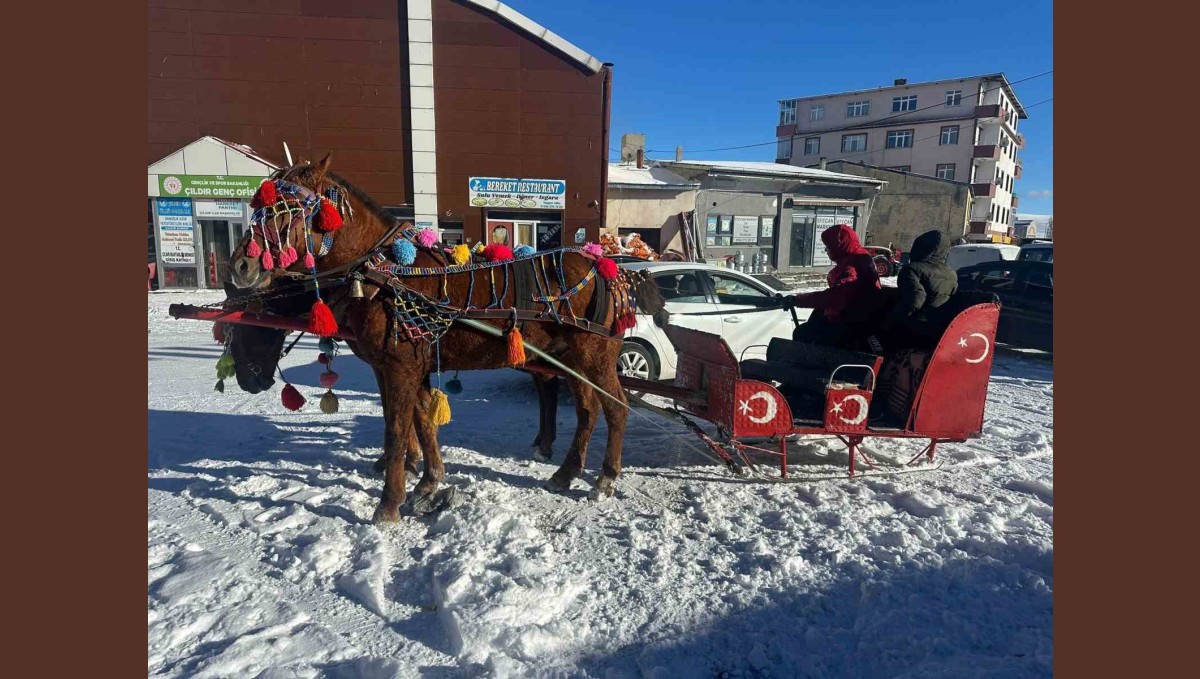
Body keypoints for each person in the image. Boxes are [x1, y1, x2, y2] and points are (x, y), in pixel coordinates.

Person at [788, 223, 885, 350]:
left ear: (838, 246)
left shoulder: (851, 267)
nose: (826, 250)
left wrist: (798, 300)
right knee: (808, 329)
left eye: (828, 246)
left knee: (804, 334)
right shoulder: (859, 259)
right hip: (859, 318)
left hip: (852, 322)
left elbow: (837, 297)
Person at [881, 229, 958, 348]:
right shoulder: (951, 273)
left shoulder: (912, 269)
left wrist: (891, 319)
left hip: (915, 328)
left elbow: (915, 299)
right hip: (940, 329)